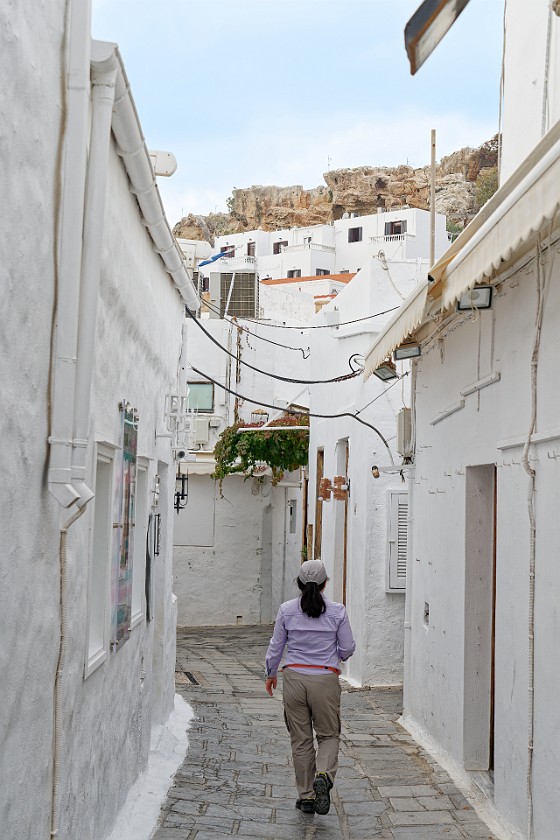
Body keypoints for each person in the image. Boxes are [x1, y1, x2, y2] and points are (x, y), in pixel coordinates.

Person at [264, 559, 356, 815]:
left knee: (301, 739)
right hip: (325, 679)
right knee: (328, 735)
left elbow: (276, 645)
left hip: (294, 678)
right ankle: (323, 777)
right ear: (325, 584)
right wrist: (335, 657)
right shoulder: (337, 611)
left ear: (299, 583)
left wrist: (271, 673)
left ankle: (306, 796)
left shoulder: (286, 609)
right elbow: (348, 647)